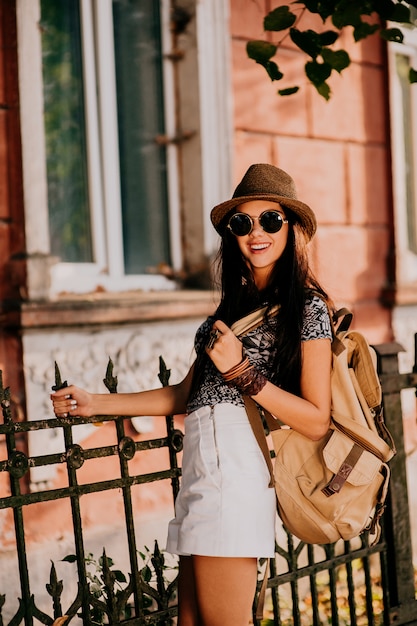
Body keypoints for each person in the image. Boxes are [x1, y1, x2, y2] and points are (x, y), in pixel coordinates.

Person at [51, 163, 333, 626]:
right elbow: (187, 395)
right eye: (242, 222)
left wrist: (243, 371)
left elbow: (316, 419)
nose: (255, 232)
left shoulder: (307, 310)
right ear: (231, 235)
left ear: (292, 228)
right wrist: (96, 404)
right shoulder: (224, 317)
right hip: (201, 482)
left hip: (237, 485)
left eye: (271, 220)